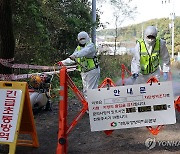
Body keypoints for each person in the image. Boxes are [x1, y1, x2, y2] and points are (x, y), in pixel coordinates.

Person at [58, 31, 100, 99]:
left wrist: (75, 55)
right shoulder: (78, 48)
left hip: (92, 71)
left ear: (87, 37)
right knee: (86, 92)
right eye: (80, 39)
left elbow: (84, 52)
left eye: (83, 38)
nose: (82, 40)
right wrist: (63, 62)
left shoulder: (90, 46)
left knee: (91, 91)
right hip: (84, 72)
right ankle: (88, 108)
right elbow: (72, 58)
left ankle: (93, 108)